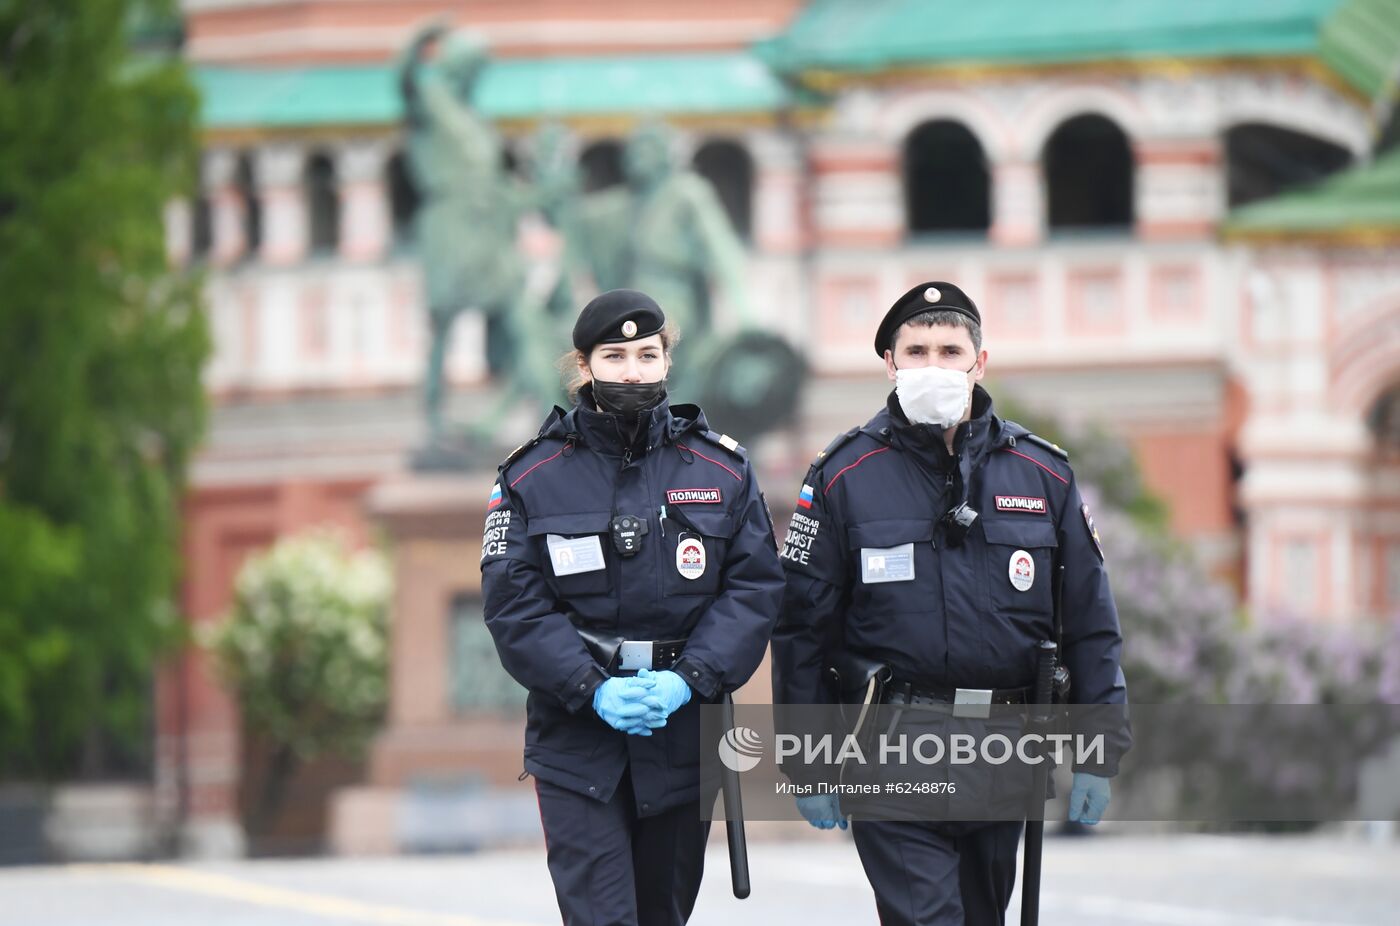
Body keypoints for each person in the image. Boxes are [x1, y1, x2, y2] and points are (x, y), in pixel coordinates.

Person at [771, 282, 1131, 926]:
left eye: (949, 349)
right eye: (916, 350)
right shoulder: (842, 476)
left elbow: (1089, 623)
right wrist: (808, 760)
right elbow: (802, 630)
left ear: (979, 362)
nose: (933, 365)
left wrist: (1098, 751)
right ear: (890, 363)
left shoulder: (1041, 474)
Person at [481, 289, 784, 925]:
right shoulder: (531, 475)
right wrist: (590, 688)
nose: (633, 372)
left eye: (647, 355)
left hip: (682, 732)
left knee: (662, 916)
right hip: (577, 738)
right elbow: (514, 606)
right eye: (614, 357)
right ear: (584, 367)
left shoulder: (723, 469)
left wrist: (689, 679)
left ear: (667, 363)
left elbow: (754, 589)